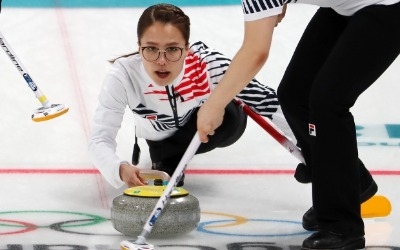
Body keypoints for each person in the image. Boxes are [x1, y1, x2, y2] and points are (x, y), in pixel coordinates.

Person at [196, 0, 400, 249]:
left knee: (328, 102)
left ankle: (342, 228)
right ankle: (351, 184)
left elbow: (255, 52)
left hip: (388, 7)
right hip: (344, 7)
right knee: (295, 95)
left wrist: (215, 104)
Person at [88, 3, 294, 189]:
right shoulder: (123, 76)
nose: (161, 61)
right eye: (151, 49)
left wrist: (312, 147)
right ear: (139, 47)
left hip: (222, 124)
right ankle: (167, 158)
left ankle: (216, 111)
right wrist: (118, 169)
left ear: (187, 49)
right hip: (163, 141)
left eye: (172, 49)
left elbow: (269, 103)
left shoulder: (206, 63)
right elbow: (99, 139)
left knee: (231, 111)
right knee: (165, 166)